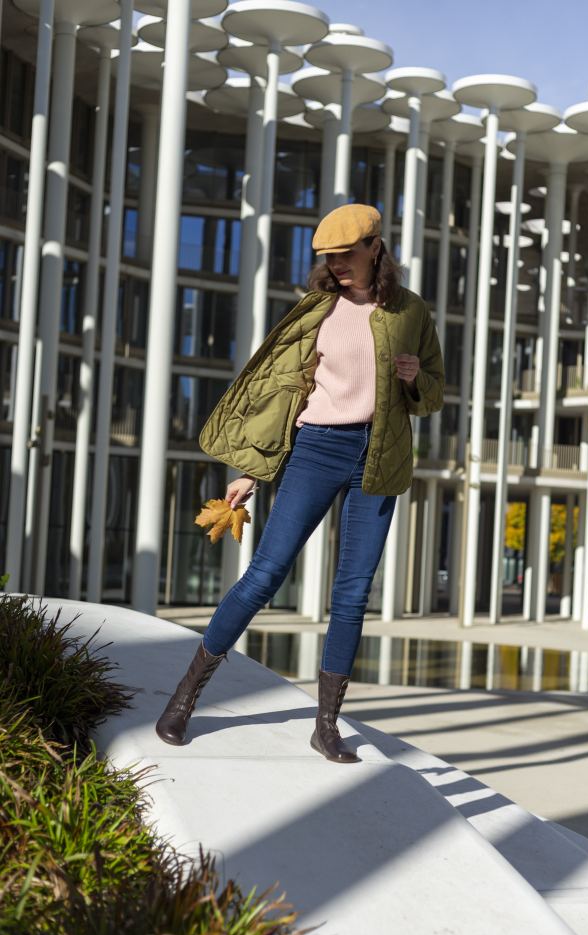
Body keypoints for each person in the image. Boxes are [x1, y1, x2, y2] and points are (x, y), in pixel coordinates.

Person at [156, 203, 445, 762]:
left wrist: (415, 379)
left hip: (378, 456)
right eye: (329, 258)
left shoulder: (411, 312)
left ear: (374, 249)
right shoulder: (314, 312)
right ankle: (184, 698)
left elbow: (433, 391)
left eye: (346, 254)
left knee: (352, 594)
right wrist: (250, 470)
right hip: (317, 447)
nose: (336, 265)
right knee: (264, 574)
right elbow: (280, 396)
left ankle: (327, 725)